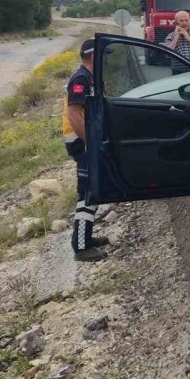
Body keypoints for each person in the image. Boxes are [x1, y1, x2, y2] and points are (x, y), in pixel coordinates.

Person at [63, 39, 110, 262]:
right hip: (81, 144)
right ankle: (81, 247)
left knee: (92, 190)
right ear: (93, 56)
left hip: (85, 142)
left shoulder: (89, 77)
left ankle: (86, 237)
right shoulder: (81, 78)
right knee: (87, 194)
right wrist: (91, 143)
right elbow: (74, 114)